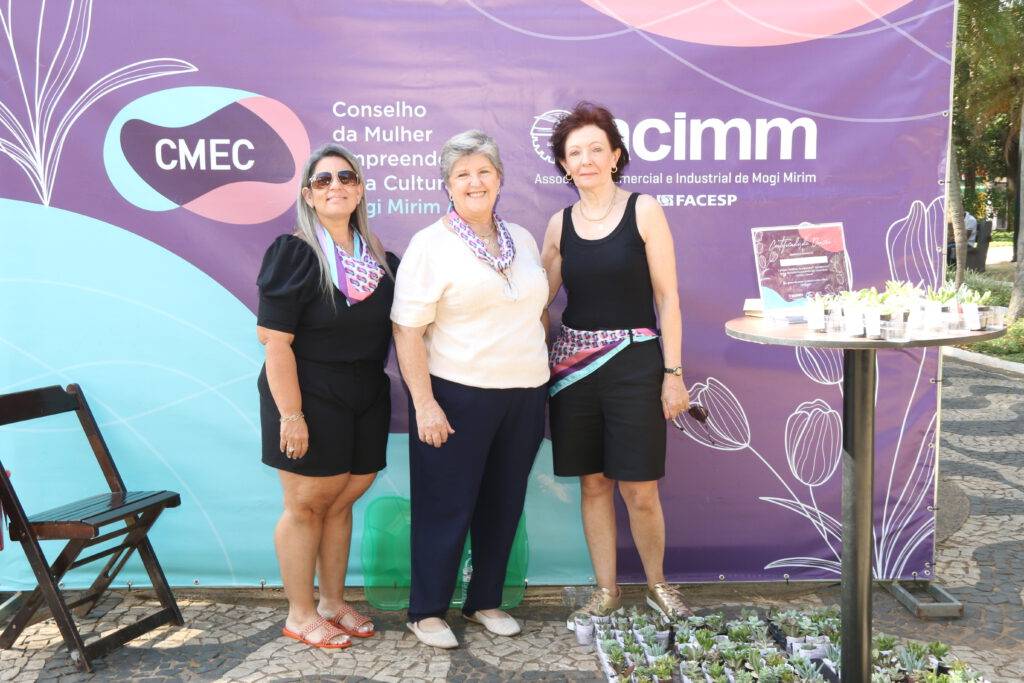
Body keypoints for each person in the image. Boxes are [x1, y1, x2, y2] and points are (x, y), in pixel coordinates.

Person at [392, 130, 549, 649]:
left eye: (484, 171)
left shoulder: (522, 238)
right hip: (458, 394)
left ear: (500, 179)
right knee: (445, 506)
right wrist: (425, 404)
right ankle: (426, 611)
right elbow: (406, 331)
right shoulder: (430, 245)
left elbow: (537, 310)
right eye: (463, 174)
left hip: (524, 394)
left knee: (502, 504)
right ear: (448, 185)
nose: (474, 181)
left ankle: (485, 601)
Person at [540, 102, 692, 626]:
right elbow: (536, 302)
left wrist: (673, 374)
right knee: (593, 485)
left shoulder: (643, 210)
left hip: (636, 367)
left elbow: (668, 298)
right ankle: (606, 591)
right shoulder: (558, 225)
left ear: (616, 156)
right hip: (576, 374)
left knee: (640, 488)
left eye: (595, 150)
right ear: (564, 165)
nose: (585, 160)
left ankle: (657, 586)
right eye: (574, 153)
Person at [256, 143, 398, 649]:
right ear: (308, 195)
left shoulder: (379, 258)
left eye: (346, 177)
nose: (335, 185)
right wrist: (291, 415)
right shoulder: (294, 253)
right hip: (308, 392)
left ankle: (332, 602)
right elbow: (275, 342)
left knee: (341, 502)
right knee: (306, 505)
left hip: (366, 393)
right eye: (323, 180)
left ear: (359, 190)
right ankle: (299, 613)